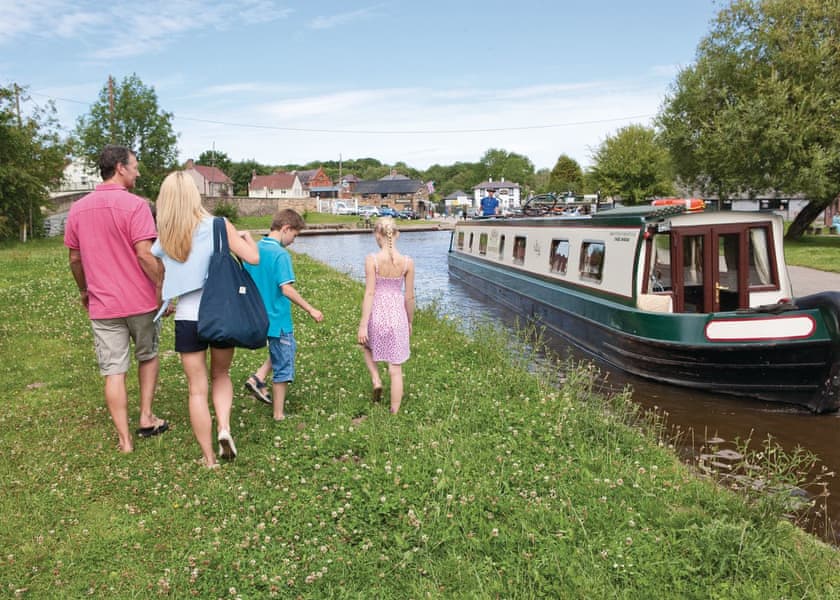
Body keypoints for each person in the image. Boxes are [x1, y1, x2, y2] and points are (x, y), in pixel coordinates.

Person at [64, 144, 168, 453]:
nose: (137, 171)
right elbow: (145, 255)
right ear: (120, 168)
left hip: (104, 305)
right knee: (147, 355)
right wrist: (163, 287)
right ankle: (147, 417)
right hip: (141, 301)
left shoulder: (78, 209)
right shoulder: (135, 206)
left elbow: (74, 259)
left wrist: (84, 291)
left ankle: (125, 441)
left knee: (114, 370)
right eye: (134, 166)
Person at [152, 171, 259, 468]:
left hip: (187, 318)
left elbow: (162, 270)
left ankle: (209, 458)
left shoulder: (165, 237)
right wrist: (246, 239)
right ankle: (224, 427)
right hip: (221, 313)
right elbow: (252, 258)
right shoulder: (218, 226)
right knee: (221, 375)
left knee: (196, 388)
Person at [243, 209, 324, 421]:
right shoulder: (280, 255)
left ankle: (258, 377)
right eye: (294, 235)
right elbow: (286, 289)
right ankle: (278, 415)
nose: (294, 241)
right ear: (286, 229)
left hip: (257, 316)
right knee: (284, 366)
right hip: (278, 318)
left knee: (285, 351)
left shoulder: (254, 248)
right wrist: (310, 308)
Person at [357, 217, 415, 414]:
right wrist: (409, 321)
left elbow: (370, 292)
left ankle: (375, 378)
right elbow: (410, 297)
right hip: (398, 315)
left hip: (378, 313)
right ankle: (394, 411)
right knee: (395, 367)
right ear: (397, 234)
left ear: (377, 235)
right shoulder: (407, 262)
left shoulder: (372, 260)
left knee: (366, 345)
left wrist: (363, 324)